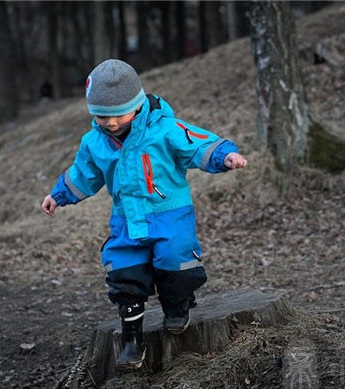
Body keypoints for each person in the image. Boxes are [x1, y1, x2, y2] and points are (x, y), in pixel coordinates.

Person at [41, 59, 247, 370]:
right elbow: (83, 174)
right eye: (101, 116)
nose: (110, 123)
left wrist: (224, 155)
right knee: (124, 273)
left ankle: (177, 305)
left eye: (117, 115)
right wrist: (58, 195)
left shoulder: (164, 129)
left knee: (177, 262)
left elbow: (197, 144)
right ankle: (131, 339)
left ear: (137, 105)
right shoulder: (94, 141)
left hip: (170, 213)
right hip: (126, 219)